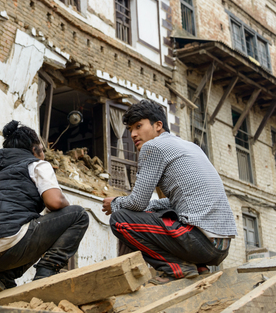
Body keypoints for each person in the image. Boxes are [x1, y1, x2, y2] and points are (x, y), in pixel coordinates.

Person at [102, 100, 237, 285]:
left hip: (200, 242)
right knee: (158, 211)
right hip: (220, 248)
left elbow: (137, 203)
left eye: (139, 126)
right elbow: (178, 201)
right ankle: (197, 266)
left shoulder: (153, 147)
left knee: (120, 220)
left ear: (158, 125)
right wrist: (150, 207)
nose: (133, 134)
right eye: (131, 129)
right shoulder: (190, 147)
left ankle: (175, 268)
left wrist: (116, 203)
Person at [0, 120, 89, 293]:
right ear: (35, 150)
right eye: (42, 150)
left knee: (31, 226)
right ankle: (46, 271)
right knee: (78, 215)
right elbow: (54, 202)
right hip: (9, 243)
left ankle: (2, 277)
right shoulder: (37, 164)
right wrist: (66, 211)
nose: (44, 155)